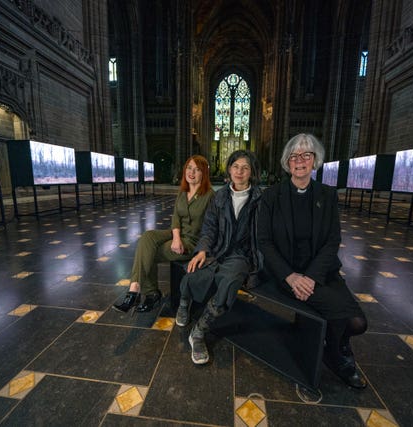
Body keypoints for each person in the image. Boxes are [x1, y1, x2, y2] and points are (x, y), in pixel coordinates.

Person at [257, 133, 368, 389]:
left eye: (306, 155)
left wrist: (311, 276)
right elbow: (265, 242)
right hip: (287, 274)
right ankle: (338, 356)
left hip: (321, 272)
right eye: (294, 156)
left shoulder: (327, 195)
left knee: (358, 323)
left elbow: (332, 240)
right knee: (350, 319)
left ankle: (334, 346)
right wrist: (291, 276)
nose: (300, 161)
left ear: (314, 160)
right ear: (287, 162)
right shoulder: (272, 196)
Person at [175, 150, 262, 365]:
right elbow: (209, 228)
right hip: (216, 250)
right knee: (193, 271)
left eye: (245, 167)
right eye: (235, 166)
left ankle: (199, 331)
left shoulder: (260, 199)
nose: (239, 171)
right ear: (229, 169)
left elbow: (262, 236)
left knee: (229, 283)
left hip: (241, 255)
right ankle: (184, 303)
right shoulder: (220, 196)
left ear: (251, 172)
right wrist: (202, 250)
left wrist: (256, 268)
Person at [112, 155, 215, 314]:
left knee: (148, 253)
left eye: (197, 169)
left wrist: (202, 249)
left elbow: (212, 226)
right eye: (189, 168)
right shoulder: (183, 192)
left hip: (194, 241)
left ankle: (149, 293)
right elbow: (175, 217)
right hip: (178, 234)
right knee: (148, 237)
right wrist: (176, 237)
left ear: (204, 174)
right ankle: (135, 288)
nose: (191, 172)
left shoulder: (210, 196)